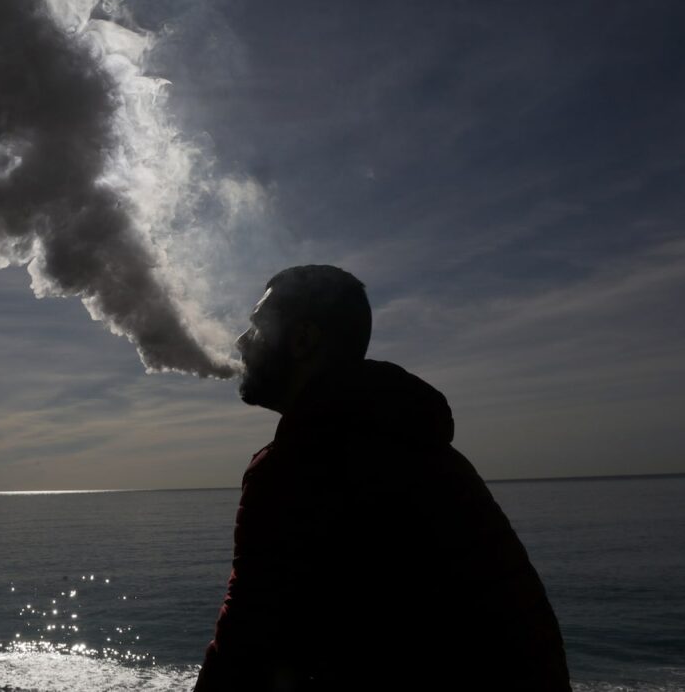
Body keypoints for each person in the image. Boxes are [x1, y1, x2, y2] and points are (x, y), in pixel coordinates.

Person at [194, 265, 569, 691]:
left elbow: (246, 643)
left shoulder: (299, 466)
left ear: (302, 340)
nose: (242, 341)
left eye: (258, 325)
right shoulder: (428, 449)